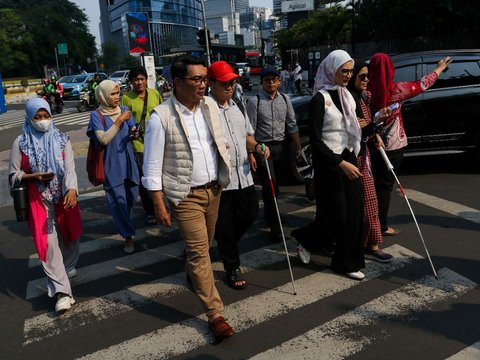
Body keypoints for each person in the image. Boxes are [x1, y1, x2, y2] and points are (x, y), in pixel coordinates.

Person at [142, 55, 234, 339]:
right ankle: (214, 313)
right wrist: (158, 202)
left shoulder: (209, 107)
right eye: (197, 79)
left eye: (205, 79)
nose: (203, 85)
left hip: (214, 189)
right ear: (177, 83)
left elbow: (220, 142)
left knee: (205, 246)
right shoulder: (161, 117)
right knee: (198, 251)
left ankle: (194, 274)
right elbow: (152, 165)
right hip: (185, 196)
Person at [293, 50, 365, 280]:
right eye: (344, 70)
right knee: (338, 217)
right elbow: (315, 141)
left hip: (349, 158)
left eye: (350, 71)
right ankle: (305, 239)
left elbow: (353, 130)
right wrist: (340, 163)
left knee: (355, 215)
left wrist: (376, 126)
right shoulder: (319, 99)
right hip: (330, 164)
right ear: (332, 69)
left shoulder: (349, 96)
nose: (348, 75)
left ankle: (345, 262)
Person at [8, 98, 82, 313]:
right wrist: (32, 176)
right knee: (47, 244)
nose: (42, 121)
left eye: (46, 116)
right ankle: (62, 292)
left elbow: (69, 168)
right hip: (38, 199)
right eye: (37, 117)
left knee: (71, 237)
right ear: (29, 119)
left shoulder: (62, 139)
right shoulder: (20, 143)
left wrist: (72, 189)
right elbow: (14, 175)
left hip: (63, 197)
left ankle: (67, 267)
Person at [368, 53, 452, 236]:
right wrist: (439, 68)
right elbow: (423, 83)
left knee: (371, 186)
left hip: (371, 145)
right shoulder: (398, 90)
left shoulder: (365, 93)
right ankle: (381, 226)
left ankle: (369, 222)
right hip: (394, 147)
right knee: (385, 187)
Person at [207, 61, 269, 290]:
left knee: (249, 214)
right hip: (220, 179)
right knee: (224, 224)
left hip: (244, 174)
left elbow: (247, 137)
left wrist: (257, 148)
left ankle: (223, 243)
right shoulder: (205, 109)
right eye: (224, 82)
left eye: (232, 81)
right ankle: (232, 266)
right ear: (211, 83)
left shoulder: (238, 106)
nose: (230, 86)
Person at [246, 66, 301, 241]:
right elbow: (250, 131)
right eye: (267, 80)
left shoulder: (285, 99)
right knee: (270, 187)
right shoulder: (255, 101)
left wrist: (298, 146)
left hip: (282, 147)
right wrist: (251, 153)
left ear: (279, 81)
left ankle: (274, 214)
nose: (271, 83)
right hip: (263, 148)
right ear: (261, 82)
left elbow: (292, 124)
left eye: (274, 79)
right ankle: (274, 226)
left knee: (278, 185)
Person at [347, 59, 393, 263]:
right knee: (359, 202)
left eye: (368, 76)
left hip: (363, 154)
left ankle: (371, 243)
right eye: (361, 76)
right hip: (351, 156)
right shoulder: (347, 99)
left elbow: (366, 127)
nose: (366, 80)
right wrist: (372, 124)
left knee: (369, 200)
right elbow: (354, 128)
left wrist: (375, 131)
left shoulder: (364, 97)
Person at [86, 80, 140, 254]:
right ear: (103, 95)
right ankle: (128, 235)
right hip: (111, 164)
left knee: (132, 195)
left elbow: (133, 128)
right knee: (118, 202)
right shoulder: (96, 115)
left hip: (129, 161)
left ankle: (124, 221)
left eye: (118, 93)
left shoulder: (123, 110)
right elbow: (103, 139)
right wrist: (118, 122)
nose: (117, 97)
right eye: (113, 94)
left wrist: (134, 132)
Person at [121, 66, 162, 225]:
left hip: (157, 142)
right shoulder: (126, 99)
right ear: (131, 82)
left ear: (146, 79)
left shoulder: (155, 94)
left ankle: (161, 206)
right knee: (145, 179)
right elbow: (124, 121)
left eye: (142, 79)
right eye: (136, 80)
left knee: (160, 176)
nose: (139, 82)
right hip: (138, 146)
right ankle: (150, 211)